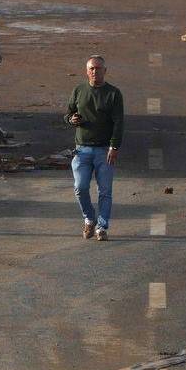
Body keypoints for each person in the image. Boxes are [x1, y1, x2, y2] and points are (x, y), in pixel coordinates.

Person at [67, 54, 124, 241]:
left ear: (104, 71)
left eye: (98, 68)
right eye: (91, 68)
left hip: (104, 150)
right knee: (80, 187)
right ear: (86, 71)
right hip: (82, 149)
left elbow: (118, 123)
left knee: (105, 191)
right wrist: (71, 119)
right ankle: (89, 219)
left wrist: (114, 147)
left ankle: (102, 227)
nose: (94, 71)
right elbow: (68, 113)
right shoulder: (78, 90)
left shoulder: (113, 94)